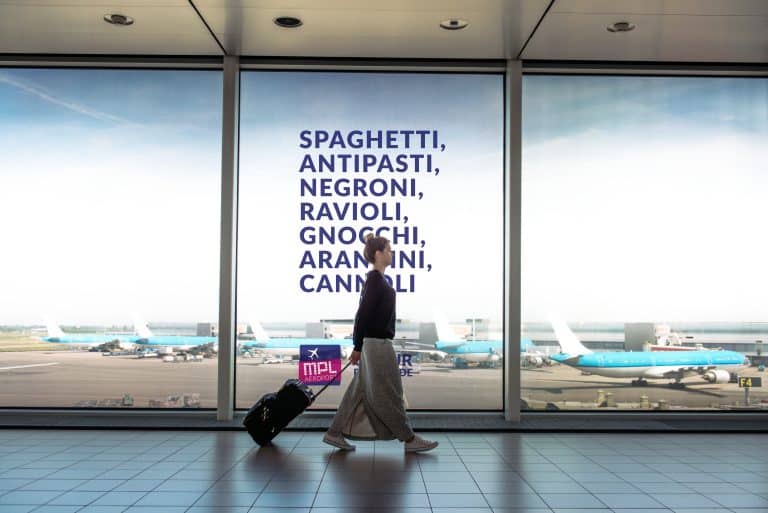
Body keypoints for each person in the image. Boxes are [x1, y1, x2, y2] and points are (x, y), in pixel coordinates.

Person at [323, 233, 438, 453]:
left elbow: (364, 316)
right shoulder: (375, 281)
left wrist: (360, 346)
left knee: (359, 391)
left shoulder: (376, 281)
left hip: (375, 344)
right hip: (376, 345)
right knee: (391, 391)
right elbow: (362, 315)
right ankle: (408, 438)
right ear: (378, 253)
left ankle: (334, 433)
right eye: (388, 249)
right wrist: (357, 346)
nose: (392, 252)